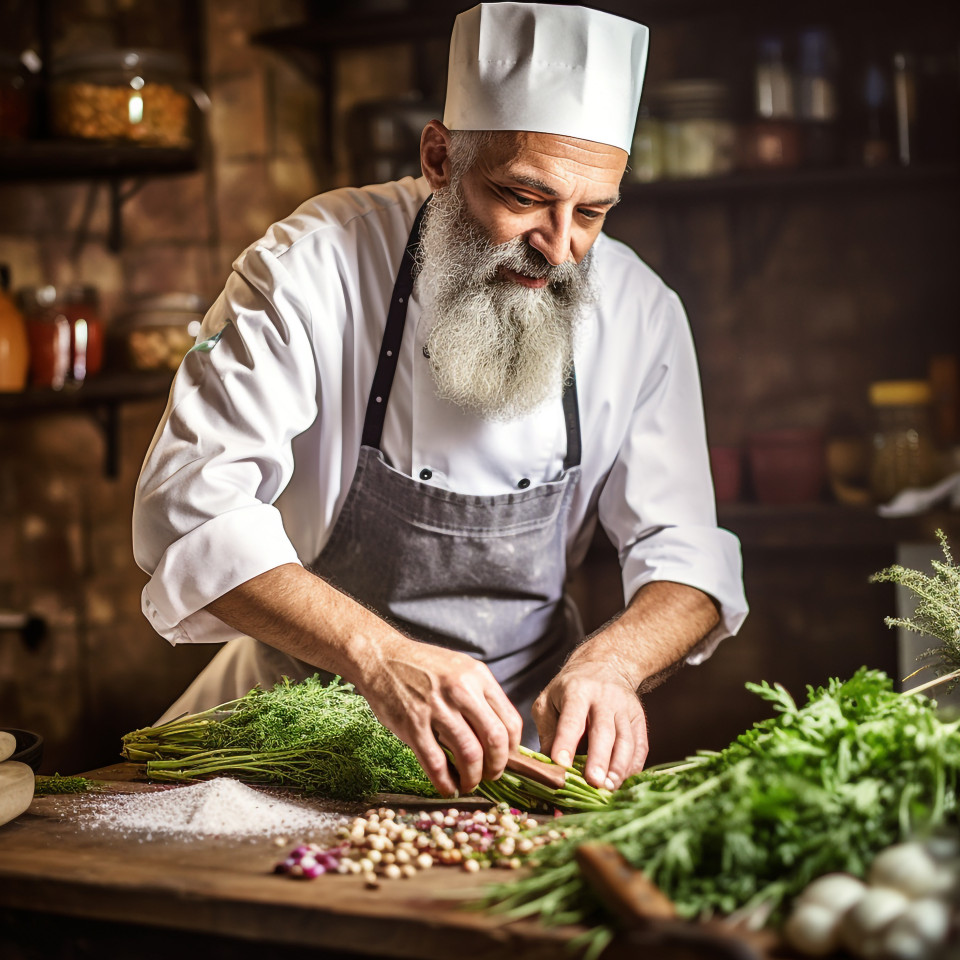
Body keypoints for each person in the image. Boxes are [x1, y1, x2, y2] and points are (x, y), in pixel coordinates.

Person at [132, 2, 747, 799]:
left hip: (513, 751)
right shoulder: (306, 270)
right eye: (524, 197)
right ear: (438, 156)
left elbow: (688, 554)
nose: (557, 251)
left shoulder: (639, 311)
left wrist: (613, 661)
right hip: (286, 733)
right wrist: (377, 654)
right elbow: (190, 508)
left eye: (590, 213)